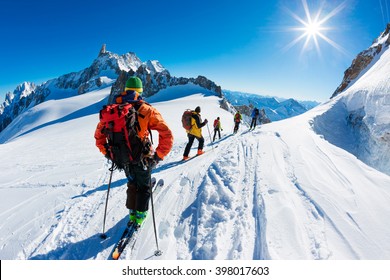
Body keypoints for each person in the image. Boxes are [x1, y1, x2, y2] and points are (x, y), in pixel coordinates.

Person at [94, 76, 173, 226]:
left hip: (122, 158)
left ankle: (132, 213)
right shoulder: (146, 110)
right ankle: (140, 216)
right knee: (143, 186)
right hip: (143, 158)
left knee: (132, 183)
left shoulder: (113, 112)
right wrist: (157, 157)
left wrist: (109, 154)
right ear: (140, 91)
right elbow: (167, 135)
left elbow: (99, 136)